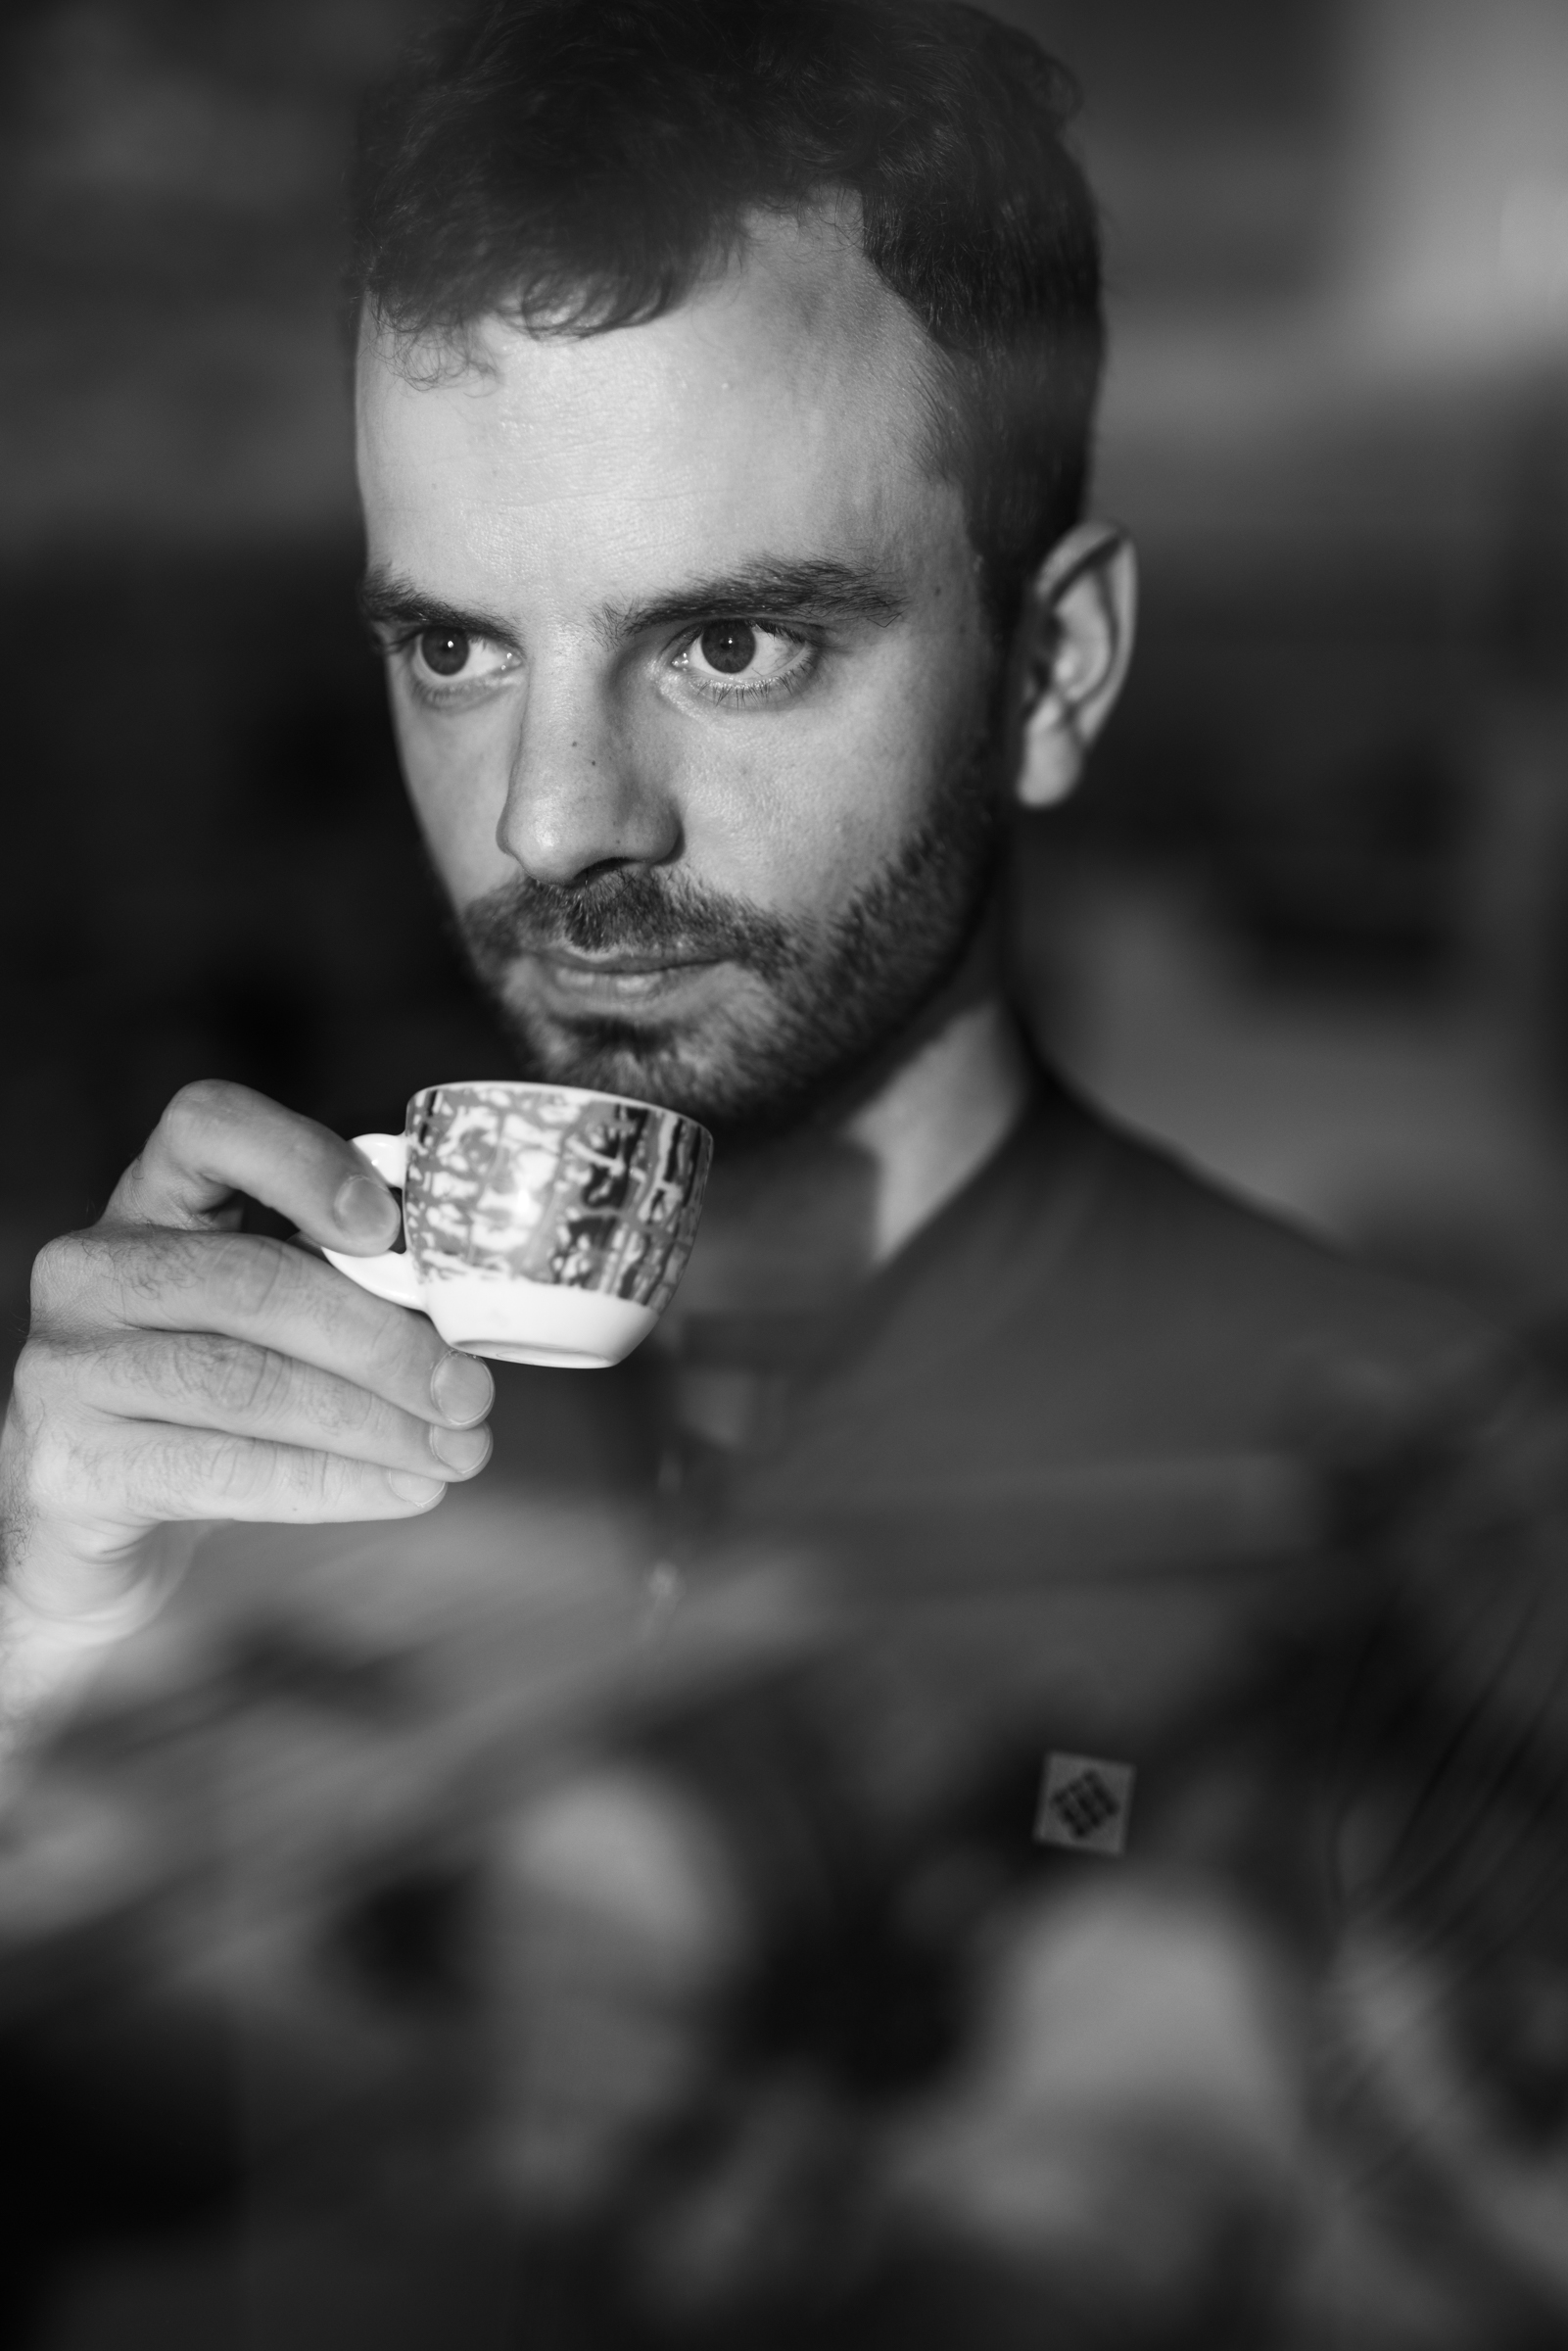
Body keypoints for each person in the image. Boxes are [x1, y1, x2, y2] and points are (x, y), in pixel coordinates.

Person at [3, 4, 1566, 2344]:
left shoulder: (1396, 1478)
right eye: (456, 647)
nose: (552, 824)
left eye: (732, 642)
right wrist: (39, 1632)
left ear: (1049, 672)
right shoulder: (285, 1394)